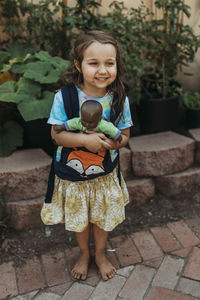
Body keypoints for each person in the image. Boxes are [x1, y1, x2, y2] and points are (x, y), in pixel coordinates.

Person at [41, 30, 133, 281]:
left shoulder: (118, 99)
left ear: (116, 64)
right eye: (93, 63)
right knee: (81, 218)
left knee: (101, 217)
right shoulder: (65, 97)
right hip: (74, 176)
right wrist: (85, 140)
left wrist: (111, 145)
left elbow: (124, 136)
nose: (102, 70)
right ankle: (84, 253)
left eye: (109, 63)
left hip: (104, 174)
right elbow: (57, 135)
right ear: (78, 65)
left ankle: (100, 254)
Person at [54, 100, 122, 143]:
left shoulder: (103, 125)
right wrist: (62, 127)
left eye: (91, 122)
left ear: (99, 119)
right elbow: (71, 123)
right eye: (84, 120)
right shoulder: (79, 122)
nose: (87, 124)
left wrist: (117, 136)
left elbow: (111, 129)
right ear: (81, 116)